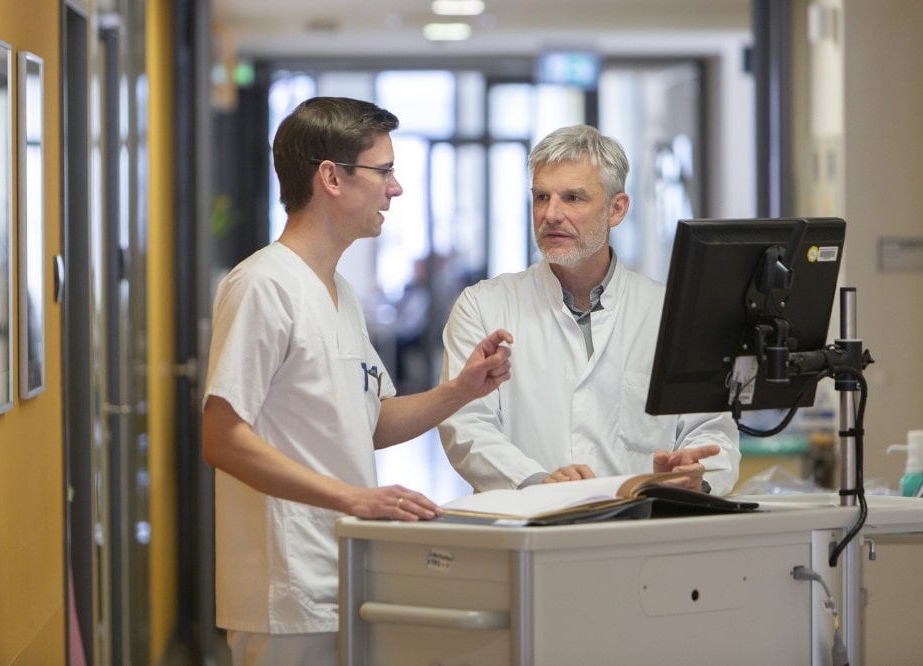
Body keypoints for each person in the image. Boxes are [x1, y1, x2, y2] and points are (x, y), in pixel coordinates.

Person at [201, 96, 513, 665]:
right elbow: (222, 438)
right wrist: (355, 498)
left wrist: (460, 390)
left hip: (343, 571)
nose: (395, 189)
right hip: (287, 591)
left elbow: (367, 422)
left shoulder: (340, 293)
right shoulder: (262, 287)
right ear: (331, 178)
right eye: (384, 170)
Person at [438, 124, 740, 496]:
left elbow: (711, 429)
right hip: (529, 527)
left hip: (638, 530)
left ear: (617, 209)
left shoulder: (672, 314)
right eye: (541, 197)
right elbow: (466, 426)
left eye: (573, 198)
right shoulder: (483, 306)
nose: (551, 214)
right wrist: (536, 481)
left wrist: (697, 476)